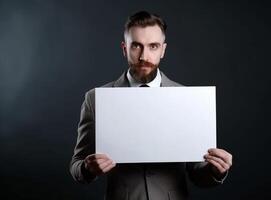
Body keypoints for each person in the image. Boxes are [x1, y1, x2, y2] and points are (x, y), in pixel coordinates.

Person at [70, 11, 233, 200]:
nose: (144, 56)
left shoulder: (186, 99)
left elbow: (197, 174)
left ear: (163, 50)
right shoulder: (95, 98)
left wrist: (216, 170)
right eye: (136, 46)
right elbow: (77, 165)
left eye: (153, 46)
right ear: (124, 48)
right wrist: (87, 168)